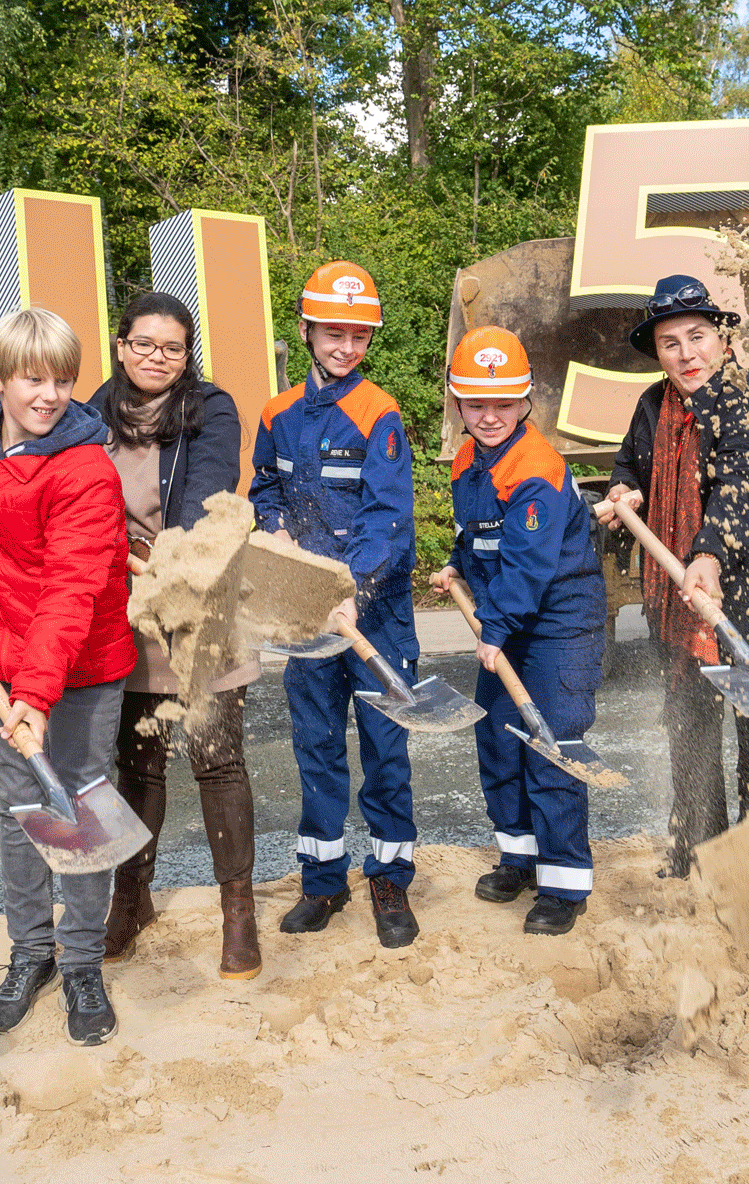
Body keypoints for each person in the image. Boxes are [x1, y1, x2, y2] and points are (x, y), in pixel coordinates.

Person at [0, 308, 136, 1044]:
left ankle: (80, 961)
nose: (50, 394)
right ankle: (30, 951)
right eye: (33, 378)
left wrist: (37, 696)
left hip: (82, 661)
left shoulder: (86, 468)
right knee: (17, 809)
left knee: (75, 808)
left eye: (63, 380)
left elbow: (71, 590)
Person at [603, 275, 749, 878]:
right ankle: (698, 848)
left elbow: (747, 485)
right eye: (670, 343)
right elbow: (629, 462)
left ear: (722, 339)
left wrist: (711, 553)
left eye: (697, 336)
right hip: (681, 595)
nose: (685, 353)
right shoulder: (652, 406)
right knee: (689, 722)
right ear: (658, 352)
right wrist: (626, 489)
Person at [88, 293, 263, 981]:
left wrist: (173, 560)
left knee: (215, 758)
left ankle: (238, 912)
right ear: (121, 344)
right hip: (128, 609)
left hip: (200, 601)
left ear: (186, 355)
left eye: (172, 347)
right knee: (139, 763)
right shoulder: (89, 415)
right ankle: (130, 899)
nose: (156, 356)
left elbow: (207, 489)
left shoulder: (211, 408)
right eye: (144, 343)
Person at [248, 260, 422, 948]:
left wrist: (349, 590)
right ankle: (322, 881)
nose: (345, 347)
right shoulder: (277, 414)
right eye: (332, 333)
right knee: (316, 747)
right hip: (303, 615)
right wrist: (275, 529)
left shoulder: (379, 413)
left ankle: (390, 879)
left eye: (357, 335)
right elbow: (263, 487)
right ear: (306, 328)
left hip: (372, 612)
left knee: (385, 748)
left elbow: (388, 518)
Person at [428, 327, 606, 935]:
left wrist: (493, 628)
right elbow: (480, 532)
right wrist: (459, 562)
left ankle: (563, 884)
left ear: (527, 399)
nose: (490, 416)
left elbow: (528, 566)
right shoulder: (466, 462)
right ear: (458, 403)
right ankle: (519, 857)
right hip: (509, 621)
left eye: (504, 402)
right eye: (476, 403)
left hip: (559, 622)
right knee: (501, 743)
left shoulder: (536, 469)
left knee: (548, 745)